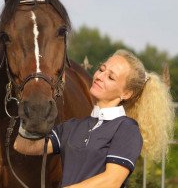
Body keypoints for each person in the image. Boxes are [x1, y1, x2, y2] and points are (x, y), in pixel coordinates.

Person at [14, 49, 174, 188]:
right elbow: (24, 146)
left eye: (111, 77)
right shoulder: (73, 126)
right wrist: (30, 108)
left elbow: (111, 181)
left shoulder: (126, 129)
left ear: (126, 94)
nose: (99, 76)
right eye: (101, 69)